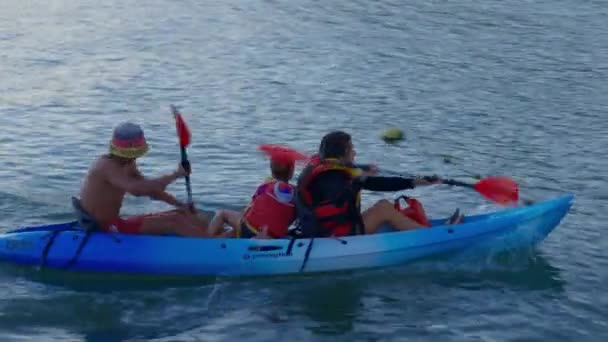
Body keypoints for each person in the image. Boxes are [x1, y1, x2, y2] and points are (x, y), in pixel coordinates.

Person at [296, 131, 464, 237]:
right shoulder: (330, 176)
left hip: (328, 228)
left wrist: (417, 182)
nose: (355, 153)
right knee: (383, 209)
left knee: (383, 206)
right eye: (351, 149)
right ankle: (434, 236)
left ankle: (417, 229)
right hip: (332, 233)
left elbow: (379, 183)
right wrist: (359, 178)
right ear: (342, 154)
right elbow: (339, 198)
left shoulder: (330, 169)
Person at [74, 122, 210, 237]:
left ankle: (211, 236)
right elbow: (137, 190)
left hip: (116, 222)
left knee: (181, 214)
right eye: (133, 154)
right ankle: (214, 245)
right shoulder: (106, 166)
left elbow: (151, 191)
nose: (135, 157)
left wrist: (180, 205)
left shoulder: (127, 163)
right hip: (103, 228)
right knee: (173, 222)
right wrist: (176, 174)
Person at [207, 152, 299, 239]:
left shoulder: (266, 185)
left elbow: (252, 206)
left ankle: (210, 239)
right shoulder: (296, 192)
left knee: (222, 213)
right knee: (237, 230)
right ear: (291, 171)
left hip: (250, 228)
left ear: (271, 169)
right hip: (273, 236)